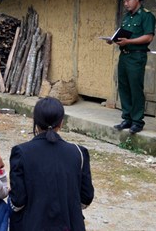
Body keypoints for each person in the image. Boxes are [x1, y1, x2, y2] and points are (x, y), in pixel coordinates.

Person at [9, 97, 94, 231]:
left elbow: (17, 202)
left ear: (35, 121)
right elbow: (86, 198)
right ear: (61, 122)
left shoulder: (21, 152)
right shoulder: (79, 152)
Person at [111, 0, 156, 134]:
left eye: (128, 0)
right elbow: (123, 34)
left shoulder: (146, 16)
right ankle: (127, 118)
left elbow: (148, 37)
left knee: (135, 87)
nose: (125, 3)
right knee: (123, 86)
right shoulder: (127, 17)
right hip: (124, 55)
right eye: (124, 0)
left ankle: (137, 121)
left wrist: (128, 42)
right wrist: (114, 39)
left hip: (137, 56)